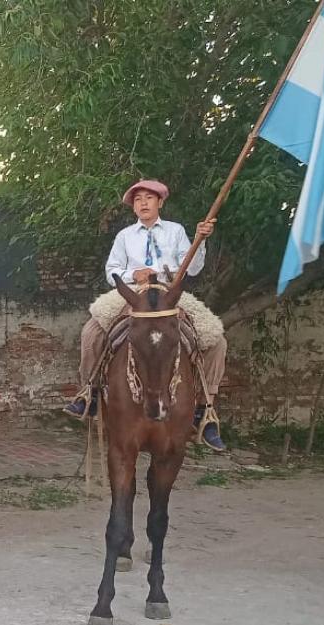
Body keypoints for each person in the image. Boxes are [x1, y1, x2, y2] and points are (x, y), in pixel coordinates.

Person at [65, 180, 228, 451]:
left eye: (149, 198)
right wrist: (133, 274)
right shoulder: (125, 236)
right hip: (133, 294)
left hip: (168, 295)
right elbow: (112, 271)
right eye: (138, 199)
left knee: (216, 340)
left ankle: (205, 408)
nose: (143, 203)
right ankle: (89, 392)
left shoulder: (175, 231)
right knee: (91, 332)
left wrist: (200, 242)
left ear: (159, 202)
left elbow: (194, 269)